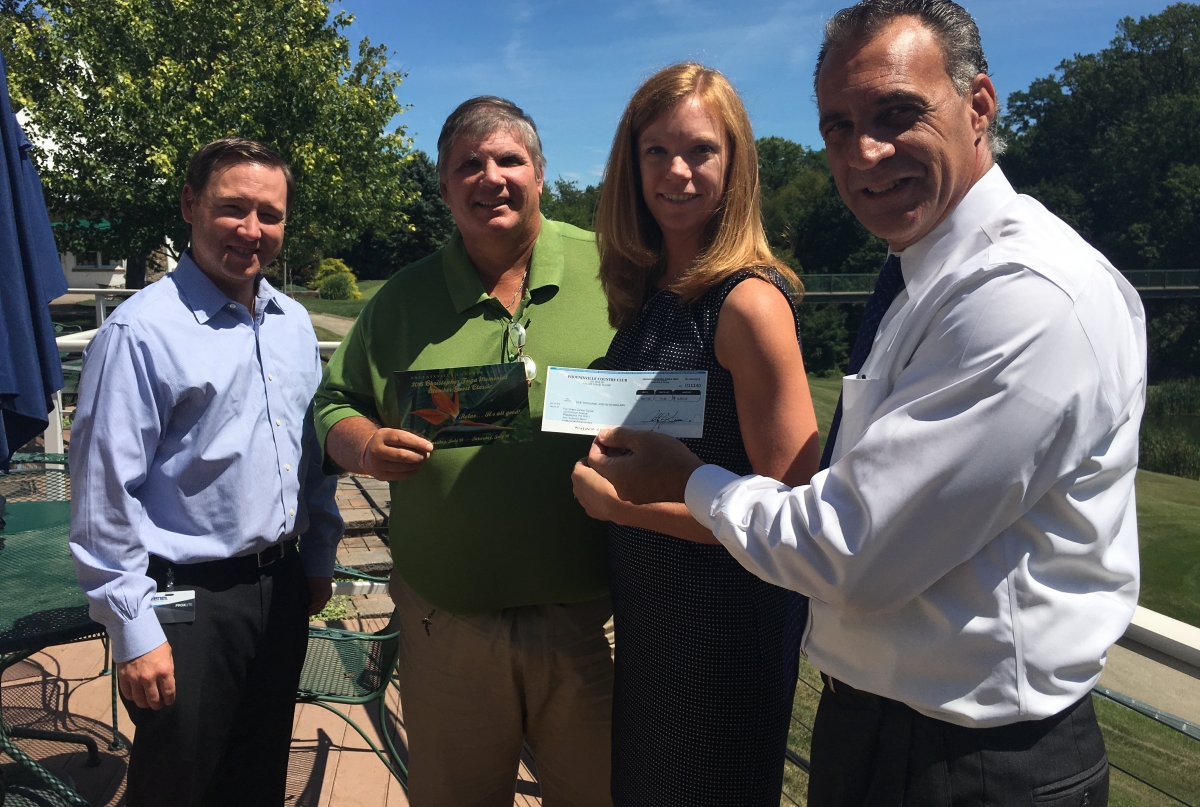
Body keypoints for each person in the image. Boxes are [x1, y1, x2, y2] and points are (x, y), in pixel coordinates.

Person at [585, 0, 1145, 806]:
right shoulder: (922, 280)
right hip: (879, 727)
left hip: (979, 759)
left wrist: (669, 487)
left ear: (978, 104)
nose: (866, 153)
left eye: (897, 113)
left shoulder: (1027, 297)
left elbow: (844, 545)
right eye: (838, 128)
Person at [314, 96, 615, 806]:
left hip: (590, 618)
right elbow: (332, 403)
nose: (492, 178)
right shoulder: (402, 300)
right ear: (445, 188)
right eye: (468, 166)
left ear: (541, 174)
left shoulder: (616, 272)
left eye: (510, 159)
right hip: (447, 619)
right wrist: (363, 445)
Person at [570, 63, 819, 805]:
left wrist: (623, 510)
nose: (677, 172)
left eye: (701, 152)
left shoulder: (747, 304)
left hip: (722, 637)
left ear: (734, 163)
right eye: (656, 152)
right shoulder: (653, 297)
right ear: (631, 162)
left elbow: (793, 517)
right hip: (653, 625)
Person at [69, 138, 343, 806]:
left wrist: (318, 556)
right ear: (191, 205)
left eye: (270, 215)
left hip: (279, 589)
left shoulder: (293, 324)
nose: (253, 231)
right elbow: (105, 493)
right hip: (184, 602)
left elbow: (310, 455)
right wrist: (133, 631)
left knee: (256, 775)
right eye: (233, 208)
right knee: (178, 785)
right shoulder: (140, 333)